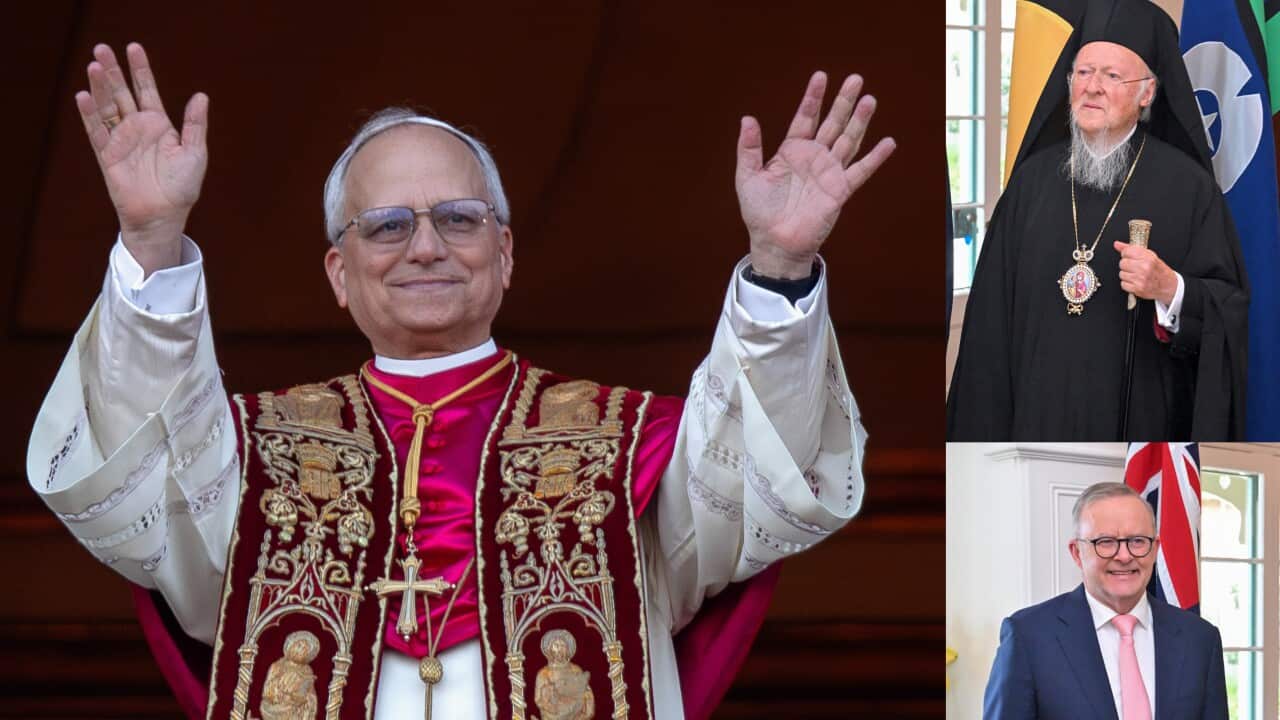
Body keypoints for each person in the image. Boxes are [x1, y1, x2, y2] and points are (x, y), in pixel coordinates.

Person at [27, 41, 894, 719]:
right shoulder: (252, 454)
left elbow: (757, 482)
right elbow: (145, 492)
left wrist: (780, 263)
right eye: (388, 225)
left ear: (505, 252)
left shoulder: (630, 445)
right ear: (338, 270)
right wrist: (150, 247)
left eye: (460, 218)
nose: (427, 245)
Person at [946, 0, 1248, 441]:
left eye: (1112, 76)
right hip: (1033, 421)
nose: (1093, 87)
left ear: (1147, 93)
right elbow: (988, 329)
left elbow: (1230, 308)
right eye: (1083, 73)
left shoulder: (1189, 189)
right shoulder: (1030, 184)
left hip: (1138, 428)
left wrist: (1170, 289)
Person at [983, 482, 1227, 720]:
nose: (1124, 556)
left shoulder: (1200, 639)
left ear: (1155, 549)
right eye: (1106, 542)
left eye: (1137, 541)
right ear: (1077, 553)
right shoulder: (1029, 637)